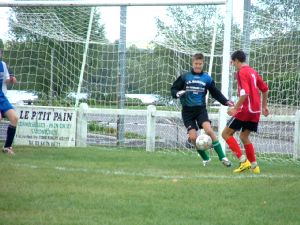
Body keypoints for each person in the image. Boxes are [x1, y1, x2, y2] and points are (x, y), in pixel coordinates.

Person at [171, 53, 233, 167]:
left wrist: (225, 101)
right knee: (193, 137)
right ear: (192, 63)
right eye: (196, 63)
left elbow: (215, 93)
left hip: (200, 110)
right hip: (187, 112)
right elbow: (174, 89)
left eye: (200, 64)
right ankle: (206, 158)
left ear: (203, 64)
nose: (198, 66)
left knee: (209, 130)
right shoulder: (185, 76)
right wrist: (177, 93)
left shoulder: (207, 78)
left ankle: (223, 157)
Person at [222, 50, 269, 174]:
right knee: (244, 136)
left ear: (237, 60)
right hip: (255, 111)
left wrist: (235, 108)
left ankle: (243, 161)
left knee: (225, 134)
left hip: (245, 110)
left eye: (233, 62)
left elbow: (245, 93)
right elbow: (265, 89)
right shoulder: (253, 71)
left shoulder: (241, 72)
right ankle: (255, 166)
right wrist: (264, 106)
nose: (233, 65)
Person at [0, 49, 18, 154]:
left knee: (14, 118)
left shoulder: (3, 65)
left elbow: (6, 80)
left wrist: (11, 80)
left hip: (2, 97)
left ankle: (7, 147)